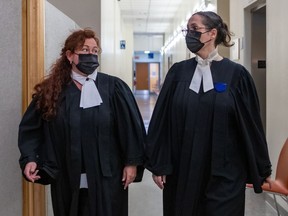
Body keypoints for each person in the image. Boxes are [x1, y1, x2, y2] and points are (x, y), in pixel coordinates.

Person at [145, 11, 272, 216]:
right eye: (187, 29)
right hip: (182, 169)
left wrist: (261, 167)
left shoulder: (237, 75)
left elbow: (251, 124)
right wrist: (159, 163)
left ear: (212, 33)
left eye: (194, 29)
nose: (189, 34)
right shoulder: (178, 73)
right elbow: (163, 120)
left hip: (225, 172)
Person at [18, 28, 145, 216]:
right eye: (85, 50)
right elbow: (32, 129)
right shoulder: (52, 93)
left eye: (95, 51)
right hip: (67, 175)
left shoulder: (114, 88)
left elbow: (130, 129)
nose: (91, 55)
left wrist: (131, 162)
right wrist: (30, 159)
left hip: (107, 175)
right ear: (70, 55)